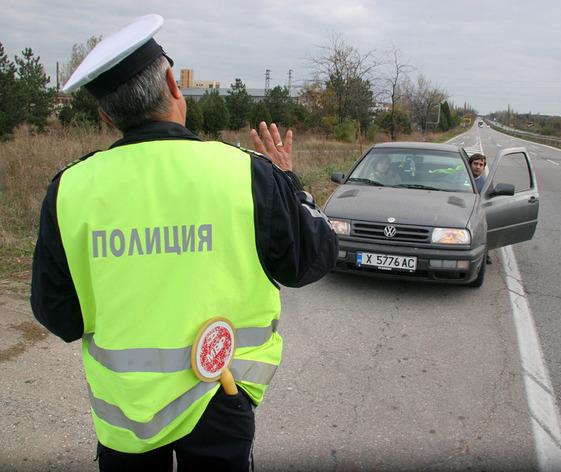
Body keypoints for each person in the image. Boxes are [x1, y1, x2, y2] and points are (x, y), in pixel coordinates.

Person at [30, 14, 337, 471]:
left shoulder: (70, 189)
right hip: (221, 393)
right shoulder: (248, 174)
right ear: (174, 85)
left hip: (126, 415)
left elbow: (58, 314)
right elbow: (312, 259)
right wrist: (288, 181)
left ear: (106, 114)